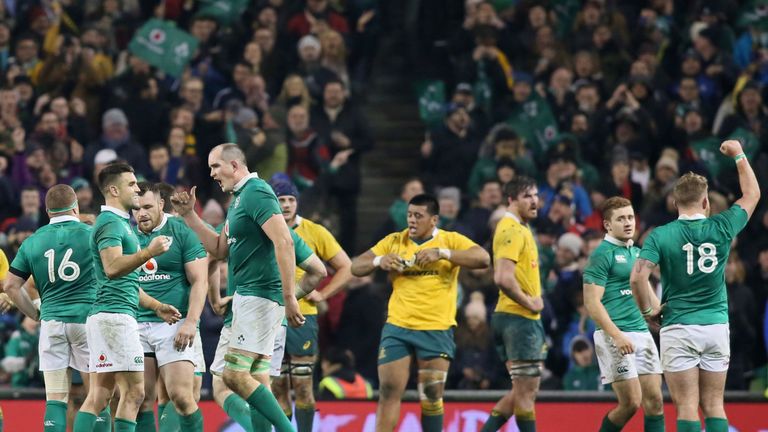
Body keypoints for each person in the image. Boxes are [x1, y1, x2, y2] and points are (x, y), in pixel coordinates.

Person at [630, 140, 760, 432]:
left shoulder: (660, 235)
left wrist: (650, 308)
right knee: (714, 404)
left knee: (687, 406)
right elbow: (752, 193)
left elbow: (637, 277)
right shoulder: (722, 226)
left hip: (679, 327)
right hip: (715, 326)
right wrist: (739, 154)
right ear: (706, 202)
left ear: (675, 204)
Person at [170, 143, 302, 432]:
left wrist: (290, 296)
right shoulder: (239, 200)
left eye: (215, 166)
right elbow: (218, 249)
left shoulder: (257, 192)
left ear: (234, 165)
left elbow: (285, 241)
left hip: (259, 296)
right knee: (240, 378)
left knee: (234, 376)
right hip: (245, 297)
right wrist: (191, 216)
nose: (212, 173)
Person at [351, 193, 490, 432]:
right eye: (409, 215)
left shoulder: (450, 240)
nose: (412, 220)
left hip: (436, 327)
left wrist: (443, 254)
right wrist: (379, 261)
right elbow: (356, 266)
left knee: (432, 394)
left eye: (418, 216)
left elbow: (483, 258)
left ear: (434, 219)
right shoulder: (394, 241)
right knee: (389, 391)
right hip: (398, 327)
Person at [73, 163, 181, 432]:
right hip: (115, 318)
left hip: (108, 315)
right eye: (131, 184)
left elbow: (126, 282)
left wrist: (156, 306)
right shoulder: (111, 223)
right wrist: (148, 253)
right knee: (134, 392)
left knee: (101, 395)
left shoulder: (118, 222)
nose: (137, 188)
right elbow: (112, 268)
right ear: (113, 189)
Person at [2, 184, 101, 432]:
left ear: (47, 211)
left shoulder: (33, 241)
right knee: (98, 398)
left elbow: (11, 286)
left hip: (52, 323)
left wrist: (36, 313)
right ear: (76, 207)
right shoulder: (92, 234)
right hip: (86, 321)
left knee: (56, 400)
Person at [269, 178, 352, 432]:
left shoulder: (315, 231)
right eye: (281, 200)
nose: (286, 205)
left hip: (303, 316)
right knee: (278, 386)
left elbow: (346, 267)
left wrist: (324, 294)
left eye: (291, 200)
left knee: (303, 384)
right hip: (270, 315)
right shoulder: (264, 229)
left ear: (297, 202)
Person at [582, 196, 664, 432]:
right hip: (614, 336)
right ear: (608, 225)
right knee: (630, 403)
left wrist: (660, 314)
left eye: (630, 217)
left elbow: (646, 293)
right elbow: (591, 303)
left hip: (641, 333)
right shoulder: (601, 255)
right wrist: (616, 336)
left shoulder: (637, 253)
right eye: (621, 219)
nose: (628, 223)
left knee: (656, 402)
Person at [131, 182, 207, 432]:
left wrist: (190, 322)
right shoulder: (126, 235)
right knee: (139, 400)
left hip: (172, 323)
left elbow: (199, 280)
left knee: (182, 397)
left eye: (148, 207)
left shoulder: (181, 231)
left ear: (161, 205)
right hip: (136, 324)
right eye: (136, 208)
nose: (141, 213)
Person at [482, 176, 546, 432]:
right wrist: (530, 303)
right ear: (511, 199)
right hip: (519, 320)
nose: (534, 201)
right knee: (526, 394)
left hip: (512, 318)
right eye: (527, 196)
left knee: (520, 390)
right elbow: (502, 277)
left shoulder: (520, 227)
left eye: (535, 195)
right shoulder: (511, 229)